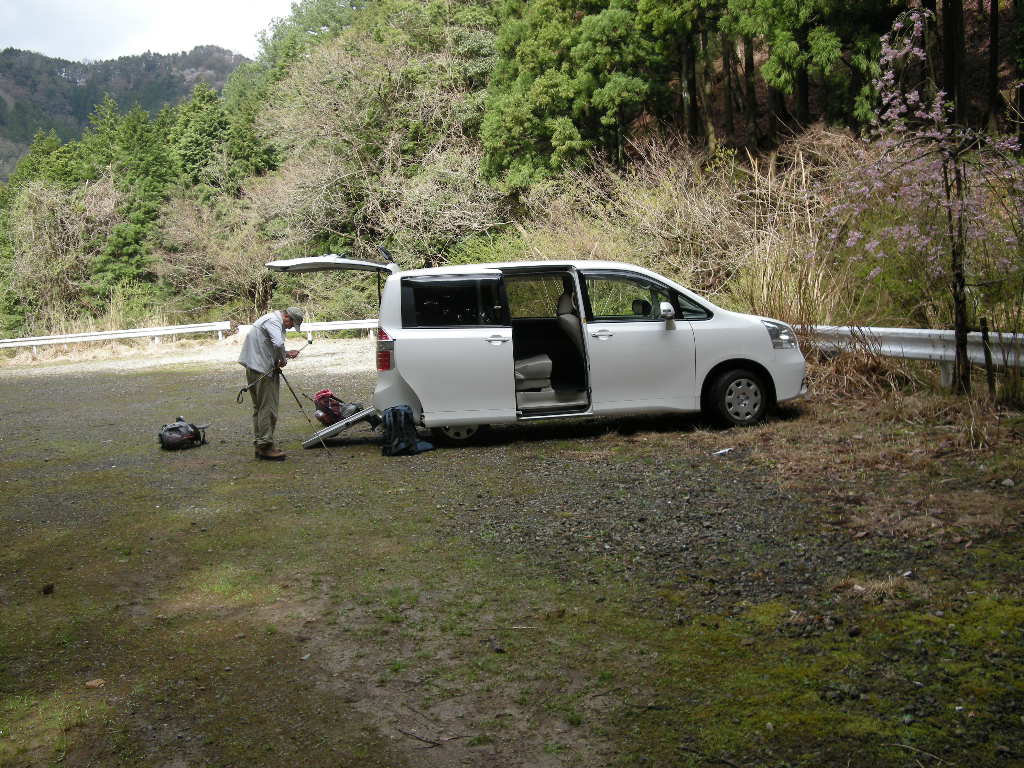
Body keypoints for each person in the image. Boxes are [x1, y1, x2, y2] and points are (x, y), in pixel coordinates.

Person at [238, 306, 304, 460]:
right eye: (291, 324)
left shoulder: (268, 320)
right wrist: (283, 359)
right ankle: (266, 446)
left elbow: (268, 345)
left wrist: (285, 353)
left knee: (260, 408)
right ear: (287, 317)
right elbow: (278, 343)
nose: (290, 327)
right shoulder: (273, 321)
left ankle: (261, 443)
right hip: (262, 369)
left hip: (255, 366)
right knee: (268, 409)